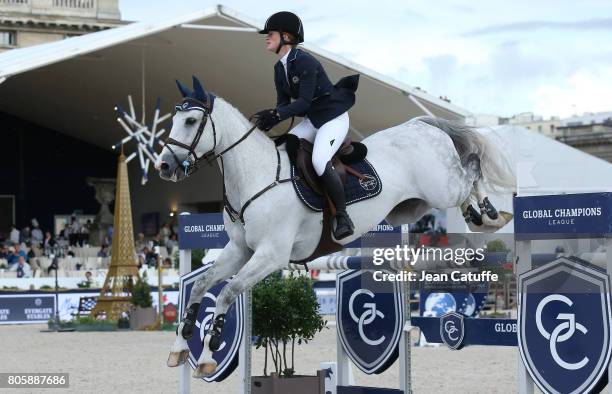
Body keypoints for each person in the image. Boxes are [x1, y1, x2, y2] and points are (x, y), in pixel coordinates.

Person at [256, 11, 359, 240]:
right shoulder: (278, 69)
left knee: (319, 159)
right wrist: (271, 118)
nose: (266, 37)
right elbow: (283, 105)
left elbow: (302, 101)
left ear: (286, 36)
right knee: (285, 146)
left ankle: (342, 216)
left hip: (333, 118)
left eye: (270, 34)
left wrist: (276, 113)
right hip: (313, 120)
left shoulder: (305, 61)